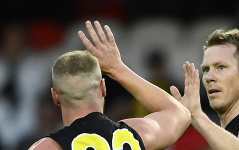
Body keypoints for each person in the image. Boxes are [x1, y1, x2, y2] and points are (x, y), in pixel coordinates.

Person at [28, 20, 192, 150]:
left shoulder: (48, 147)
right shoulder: (135, 133)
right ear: (102, 88)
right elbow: (179, 112)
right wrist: (117, 68)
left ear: (55, 96)